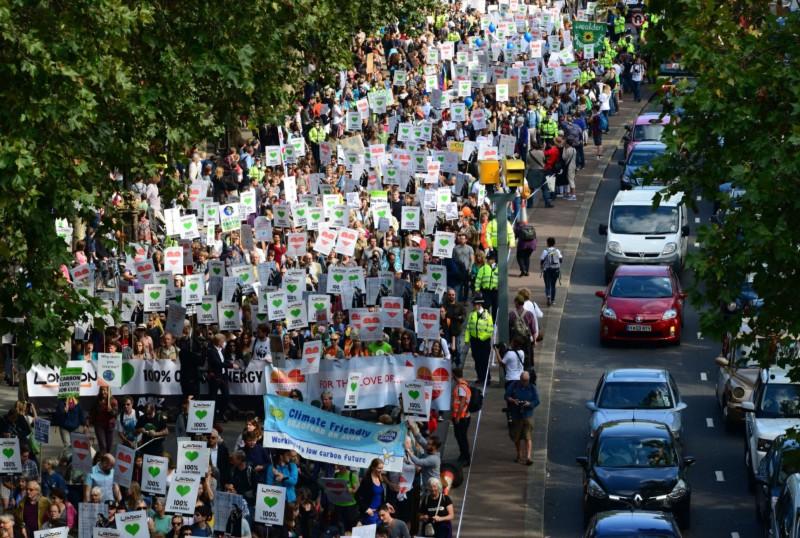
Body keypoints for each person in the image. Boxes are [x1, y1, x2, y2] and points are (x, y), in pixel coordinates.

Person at [504, 371, 540, 466]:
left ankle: (528, 457)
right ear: (520, 379)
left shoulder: (532, 387)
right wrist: (512, 400)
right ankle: (519, 455)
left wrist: (530, 404)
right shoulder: (514, 385)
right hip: (516, 414)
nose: (524, 382)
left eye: (526, 380)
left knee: (528, 436)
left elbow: (537, 401)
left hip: (527, 415)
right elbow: (506, 396)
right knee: (517, 437)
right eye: (523, 380)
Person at [464, 295, 493, 386]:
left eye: (475, 304)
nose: (474, 306)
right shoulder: (472, 314)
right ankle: (480, 377)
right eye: (473, 304)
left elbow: (490, 329)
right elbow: (469, 327)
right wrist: (467, 339)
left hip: (484, 341)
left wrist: (483, 337)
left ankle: (486, 378)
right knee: (476, 359)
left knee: (484, 360)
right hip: (474, 341)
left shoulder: (487, 315)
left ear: (479, 305)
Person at [356, 458, 388, 526]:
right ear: (373, 467)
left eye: (382, 468)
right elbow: (357, 496)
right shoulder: (367, 480)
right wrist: (366, 509)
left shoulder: (380, 478)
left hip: (379, 513)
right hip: (370, 515)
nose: (381, 470)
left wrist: (386, 505)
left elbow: (380, 496)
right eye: (379, 468)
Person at [450, 367, 471, 466]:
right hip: (463, 416)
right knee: (460, 437)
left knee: (461, 438)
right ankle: (463, 455)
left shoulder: (460, 387)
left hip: (461, 417)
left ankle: (465, 458)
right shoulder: (464, 385)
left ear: (454, 375)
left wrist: (457, 417)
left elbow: (462, 403)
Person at [540, 237, 563, 306]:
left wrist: (542, 266)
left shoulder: (545, 251)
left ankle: (548, 296)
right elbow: (561, 260)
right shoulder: (557, 251)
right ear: (554, 243)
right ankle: (552, 300)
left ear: (547, 243)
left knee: (547, 285)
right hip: (555, 270)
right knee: (553, 285)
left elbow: (542, 260)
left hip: (547, 270)